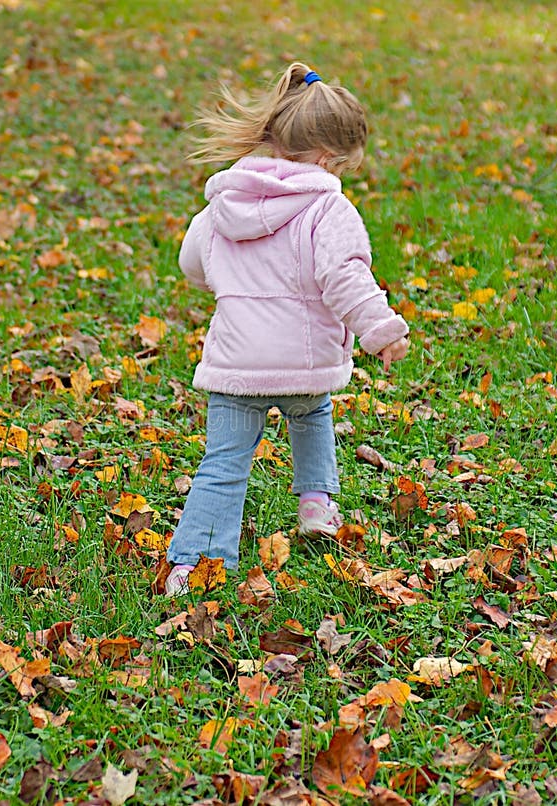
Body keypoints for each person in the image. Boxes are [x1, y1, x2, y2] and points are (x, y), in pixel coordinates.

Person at [165, 62, 410, 596]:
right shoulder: (328, 207)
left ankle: (193, 566)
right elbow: (346, 277)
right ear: (327, 158)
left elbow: (191, 263)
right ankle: (317, 504)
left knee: (224, 462)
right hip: (302, 365)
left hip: (235, 365)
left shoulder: (224, 200)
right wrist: (381, 329)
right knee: (312, 412)